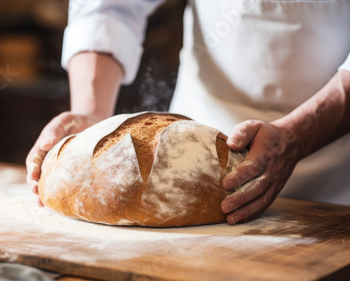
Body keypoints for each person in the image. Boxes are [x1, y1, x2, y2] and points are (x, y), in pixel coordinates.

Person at [26, 0, 350, 224]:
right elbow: (109, 7)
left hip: (336, 159)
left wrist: (299, 132)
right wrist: (91, 114)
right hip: (192, 140)